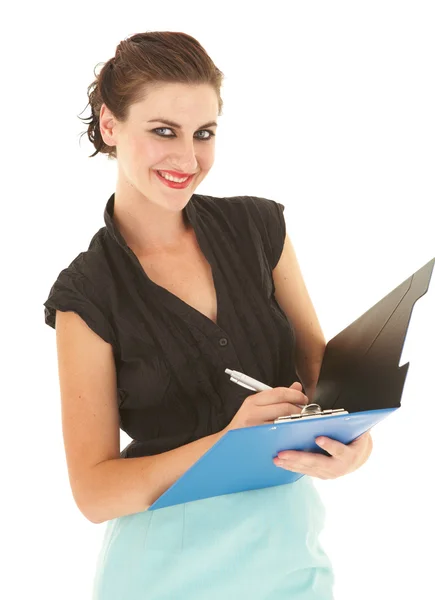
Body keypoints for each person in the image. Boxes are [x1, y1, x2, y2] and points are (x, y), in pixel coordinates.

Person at [43, 31, 373, 600]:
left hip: (291, 553)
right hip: (163, 573)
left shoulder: (259, 229)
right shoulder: (87, 294)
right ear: (109, 125)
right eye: (163, 131)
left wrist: (355, 444)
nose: (188, 158)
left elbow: (324, 380)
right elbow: (93, 493)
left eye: (204, 133)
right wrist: (226, 442)